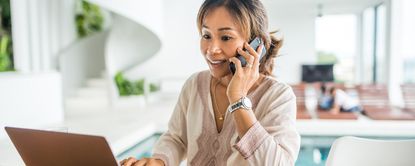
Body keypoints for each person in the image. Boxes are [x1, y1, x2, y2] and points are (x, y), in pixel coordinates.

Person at [120, 0, 300, 165]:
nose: (212, 50)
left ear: (255, 45)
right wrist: (159, 162)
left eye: (226, 37)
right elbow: (177, 139)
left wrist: (238, 99)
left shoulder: (278, 96)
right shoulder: (195, 84)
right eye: (206, 36)